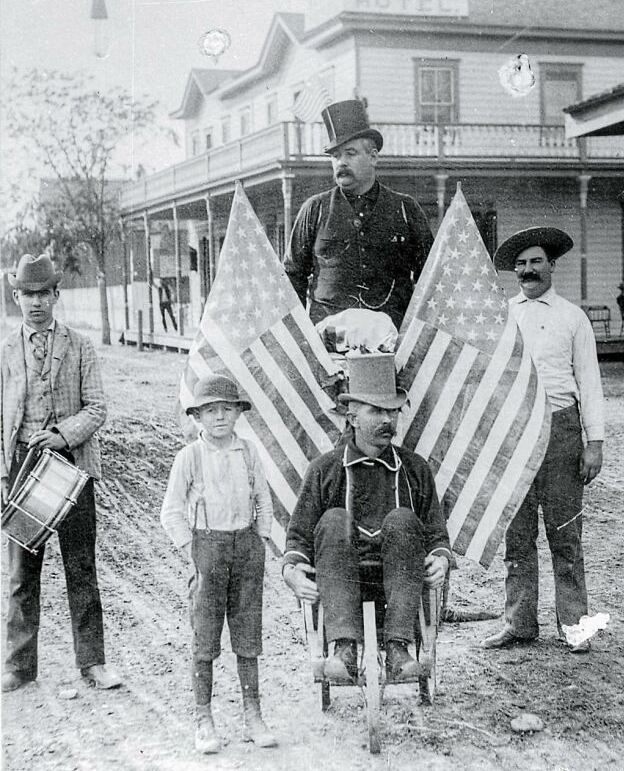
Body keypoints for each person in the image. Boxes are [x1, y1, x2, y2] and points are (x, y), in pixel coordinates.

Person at [282, 352, 452, 683]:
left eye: (392, 411)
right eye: (376, 411)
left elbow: (435, 532)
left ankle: (399, 648)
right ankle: (343, 647)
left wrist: (440, 559)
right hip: (340, 577)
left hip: (401, 576)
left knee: (403, 519)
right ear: (353, 417)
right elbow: (299, 535)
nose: (387, 419)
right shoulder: (324, 470)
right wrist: (291, 570)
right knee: (332, 520)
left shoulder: (415, 470)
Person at [1, 254, 122, 692]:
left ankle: (92, 663)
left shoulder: (81, 345)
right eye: (26, 294)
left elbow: (97, 408)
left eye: (43, 294)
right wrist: (4, 474)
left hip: (71, 470)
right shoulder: (6, 352)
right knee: (21, 572)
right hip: (23, 469)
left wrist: (62, 435)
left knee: (81, 567)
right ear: (16, 297)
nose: (35, 303)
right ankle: (19, 665)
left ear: (56, 295)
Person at [482, 228, 604, 654]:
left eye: (536, 262)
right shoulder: (502, 315)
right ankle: (518, 623)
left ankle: (575, 625)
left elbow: (589, 383)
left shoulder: (572, 317)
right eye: (520, 264)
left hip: (562, 430)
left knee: (565, 534)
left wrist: (595, 442)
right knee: (516, 535)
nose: (528, 270)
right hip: (515, 433)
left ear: (552, 265)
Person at [160, 374, 277, 754]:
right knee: (205, 636)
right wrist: (191, 552)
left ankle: (253, 714)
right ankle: (203, 718)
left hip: (244, 545)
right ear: (198, 417)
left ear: (238, 413)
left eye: (227, 409)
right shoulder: (190, 456)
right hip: (206, 547)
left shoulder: (248, 452)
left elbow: (263, 497)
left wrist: (258, 539)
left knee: (248, 633)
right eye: (211, 411)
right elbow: (171, 512)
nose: (220, 417)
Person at [284, 99, 434, 331]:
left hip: (391, 342)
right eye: (335, 156)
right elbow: (292, 277)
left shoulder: (406, 209)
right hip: (329, 345)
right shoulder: (314, 210)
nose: (341, 162)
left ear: (373, 156)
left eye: (350, 153)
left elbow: (431, 279)